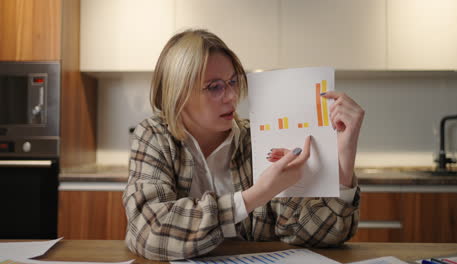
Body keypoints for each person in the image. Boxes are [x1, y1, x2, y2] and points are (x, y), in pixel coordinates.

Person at [123, 29, 365, 261]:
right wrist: (257, 194)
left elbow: (318, 235)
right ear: (178, 94)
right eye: (215, 87)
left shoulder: (257, 138)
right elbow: (150, 232)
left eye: (233, 82)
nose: (231, 96)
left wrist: (342, 161)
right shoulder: (154, 135)